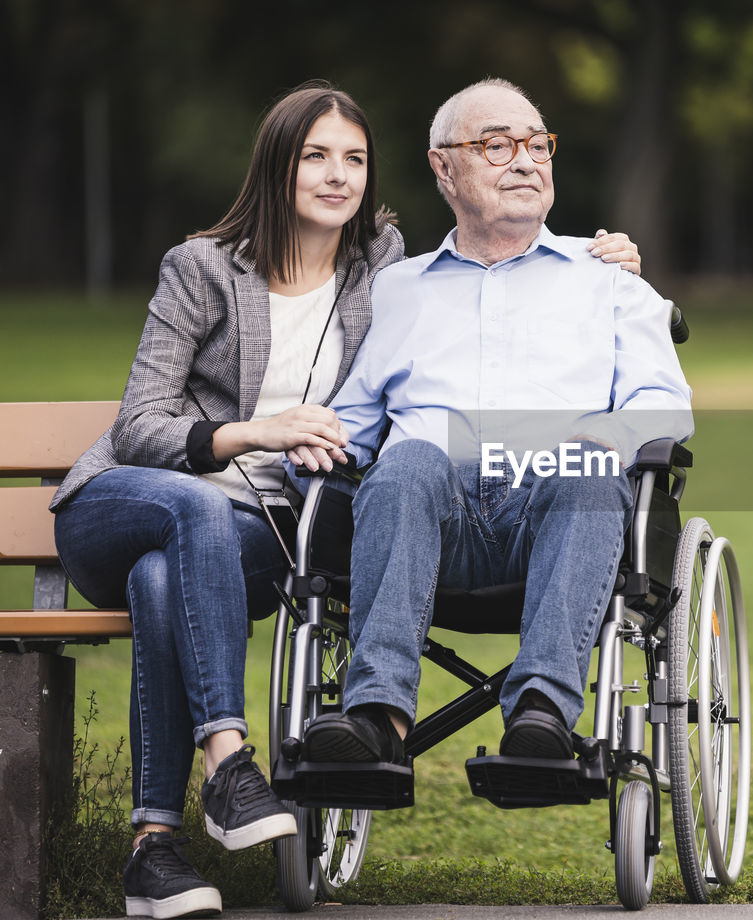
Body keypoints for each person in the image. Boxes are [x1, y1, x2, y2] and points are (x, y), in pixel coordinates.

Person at [51, 79, 642, 920]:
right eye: (315, 157)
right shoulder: (204, 268)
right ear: (275, 168)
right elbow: (141, 425)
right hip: (141, 494)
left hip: (259, 530)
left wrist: (609, 262)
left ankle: (155, 849)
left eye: (355, 159)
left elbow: (485, 287)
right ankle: (229, 761)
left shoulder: (384, 271)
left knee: (165, 580)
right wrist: (261, 433)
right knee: (194, 513)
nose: (338, 176)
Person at [292, 77, 693, 772]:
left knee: (588, 467)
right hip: (429, 514)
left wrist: (605, 439)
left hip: (559, 506)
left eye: (539, 144)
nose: (526, 160)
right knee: (407, 460)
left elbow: (665, 402)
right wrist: (291, 451)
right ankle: (375, 718)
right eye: (498, 144)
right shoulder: (399, 288)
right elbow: (353, 419)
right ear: (443, 167)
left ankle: (541, 713)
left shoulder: (609, 281)